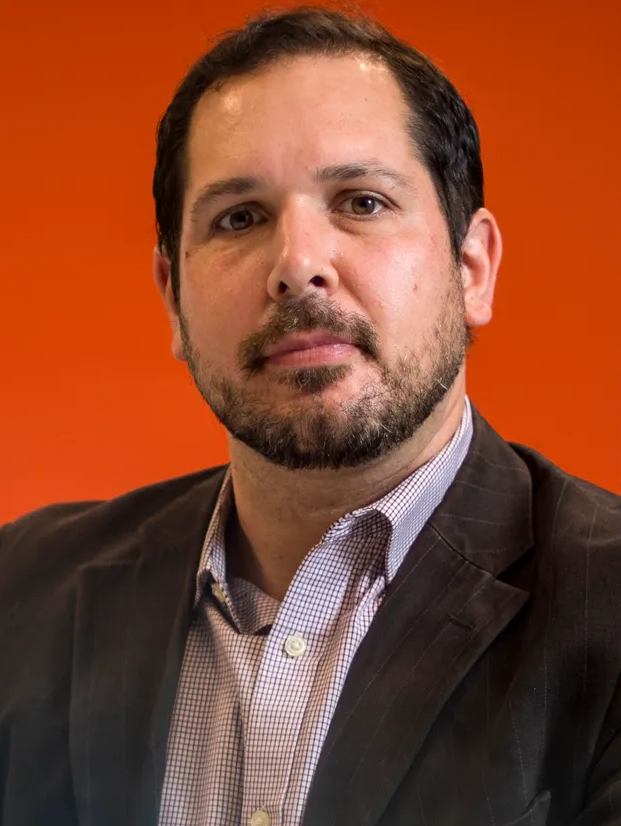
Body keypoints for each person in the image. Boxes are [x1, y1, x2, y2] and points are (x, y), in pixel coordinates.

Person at [1, 6, 619, 826]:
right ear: (173, 300)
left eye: (361, 201)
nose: (296, 265)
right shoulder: (20, 592)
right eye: (239, 218)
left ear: (471, 267)